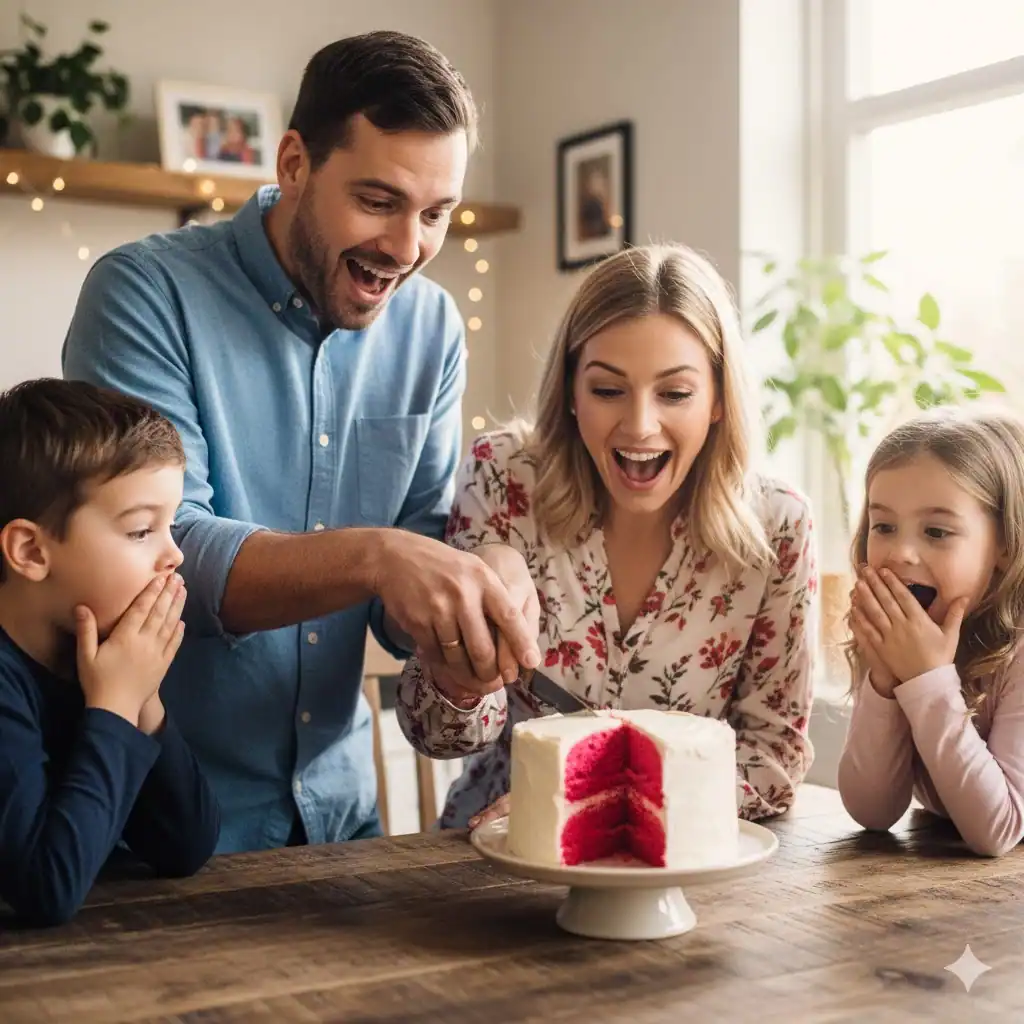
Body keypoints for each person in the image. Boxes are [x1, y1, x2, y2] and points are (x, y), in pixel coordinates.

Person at [62, 30, 539, 854]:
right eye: (379, 200)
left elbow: (414, 569)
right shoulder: (143, 292)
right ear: (292, 164)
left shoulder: (431, 330)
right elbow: (164, 552)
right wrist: (380, 558)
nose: (407, 248)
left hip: (342, 828)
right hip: (150, 833)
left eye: (436, 214)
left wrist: (469, 590)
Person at [396, 243, 820, 828]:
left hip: (685, 866)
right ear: (571, 390)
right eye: (607, 390)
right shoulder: (502, 476)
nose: (640, 424)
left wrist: (614, 796)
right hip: (497, 853)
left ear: (719, 398)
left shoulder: (780, 529)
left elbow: (773, 763)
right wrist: (467, 670)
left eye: (674, 393)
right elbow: (439, 736)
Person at [0, 379, 220, 927]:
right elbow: (46, 890)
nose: (173, 554)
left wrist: (142, 701)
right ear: (31, 551)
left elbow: (185, 847)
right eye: (142, 530)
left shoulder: (91, 657)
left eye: (170, 526)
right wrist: (115, 704)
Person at [838, 406, 1024, 857]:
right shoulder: (902, 637)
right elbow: (873, 811)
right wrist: (884, 679)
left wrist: (927, 680)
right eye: (883, 526)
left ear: (1004, 544)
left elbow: (998, 830)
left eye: (937, 532)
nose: (901, 552)